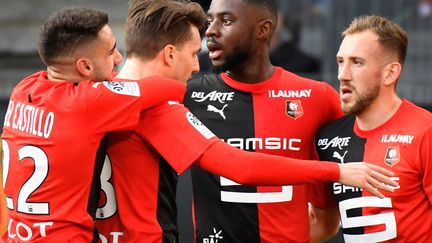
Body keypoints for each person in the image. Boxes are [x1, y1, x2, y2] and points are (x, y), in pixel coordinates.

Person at [93, 1, 398, 242]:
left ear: (264, 29)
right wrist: (338, 171)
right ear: (170, 54)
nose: (197, 64)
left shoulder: (73, 97)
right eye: (191, 51)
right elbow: (241, 166)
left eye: (225, 21)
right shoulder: (172, 104)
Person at [182, 0, 368, 242]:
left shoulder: (318, 98)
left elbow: (328, 220)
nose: (210, 30)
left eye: (226, 21)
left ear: (263, 29)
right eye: (210, 20)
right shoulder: (188, 96)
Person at [0, 7, 186, 242]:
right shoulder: (88, 102)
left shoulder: (23, 88)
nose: (119, 58)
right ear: (85, 67)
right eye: (111, 52)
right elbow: (170, 88)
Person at [310, 15, 432, 242]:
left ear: (390, 73)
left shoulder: (425, 131)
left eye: (357, 62)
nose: (342, 75)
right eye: (340, 61)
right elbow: (322, 224)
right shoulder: (326, 139)